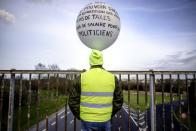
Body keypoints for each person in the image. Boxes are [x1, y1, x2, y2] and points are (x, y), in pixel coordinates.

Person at [68, 49, 123, 131]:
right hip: (105, 118)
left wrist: (80, 115)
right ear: (102, 61)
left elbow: (72, 101)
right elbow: (119, 100)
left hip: (86, 119)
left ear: (90, 61)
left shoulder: (81, 77)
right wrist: (109, 114)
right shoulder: (112, 78)